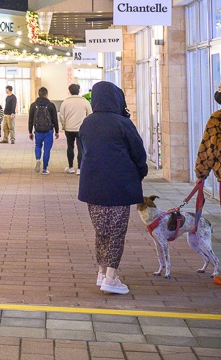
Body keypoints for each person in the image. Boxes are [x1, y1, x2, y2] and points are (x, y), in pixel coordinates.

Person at [78, 81, 147, 295]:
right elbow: (138, 152)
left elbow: (83, 152)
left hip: (93, 185)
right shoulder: (123, 123)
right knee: (117, 232)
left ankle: (100, 273)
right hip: (119, 185)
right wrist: (141, 170)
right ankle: (111, 277)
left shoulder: (87, 123)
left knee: (102, 231)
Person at [194, 76, 221, 287]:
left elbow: (208, 149)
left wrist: (201, 175)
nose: (217, 92)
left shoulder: (219, 117)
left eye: (220, 88)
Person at [60, 83, 93, 174]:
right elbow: (90, 114)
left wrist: (64, 125)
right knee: (80, 148)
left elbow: (61, 116)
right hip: (81, 129)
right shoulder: (85, 102)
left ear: (69, 91)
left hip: (69, 128)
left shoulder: (65, 102)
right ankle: (79, 168)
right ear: (79, 91)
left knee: (70, 147)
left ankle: (70, 167)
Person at [28, 87, 59, 174]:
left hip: (38, 130)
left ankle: (38, 159)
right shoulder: (51, 105)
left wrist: (30, 131)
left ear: (38, 94)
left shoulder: (33, 105)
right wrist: (57, 131)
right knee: (47, 149)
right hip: (48, 130)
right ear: (46, 95)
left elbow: (30, 120)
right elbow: (55, 119)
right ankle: (45, 169)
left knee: (37, 145)